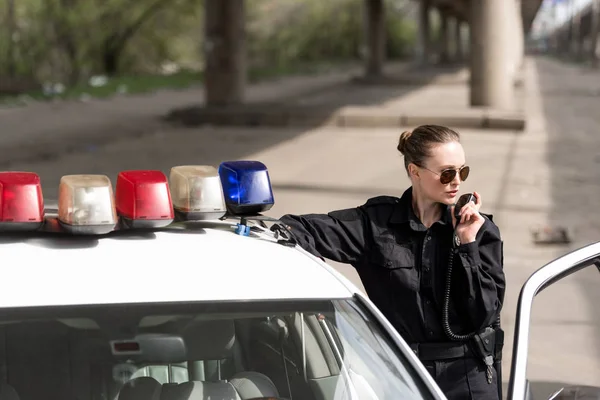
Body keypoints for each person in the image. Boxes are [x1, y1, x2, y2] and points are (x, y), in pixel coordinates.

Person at [279, 124, 505, 400]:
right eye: (447, 173)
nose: (457, 181)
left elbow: (484, 314)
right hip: (400, 374)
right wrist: (312, 268)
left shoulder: (480, 230)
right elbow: (295, 229)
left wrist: (466, 244)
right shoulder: (375, 224)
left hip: (469, 376)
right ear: (415, 171)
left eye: (463, 171)